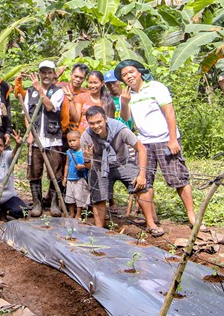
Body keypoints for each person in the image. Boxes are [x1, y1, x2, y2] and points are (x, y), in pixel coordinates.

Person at [116, 59, 197, 227]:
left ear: (139, 72)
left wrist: (173, 139)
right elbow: (125, 118)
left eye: (131, 72)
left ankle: (192, 216)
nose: (128, 76)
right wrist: (124, 102)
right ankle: (151, 219)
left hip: (164, 139)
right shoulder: (128, 94)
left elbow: (169, 113)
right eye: (124, 75)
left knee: (178, 177)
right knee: (144, 180)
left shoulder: (156, 87)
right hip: (144, 142)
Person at [80, 106, 161, 235]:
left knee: (141, 186)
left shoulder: (120, 129)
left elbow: (141, 149)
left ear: (105, 119)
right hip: (100, 166)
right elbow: (89, 167)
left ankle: (151, 224)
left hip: (122, 163)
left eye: (98, 122)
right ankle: (99, 229)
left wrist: (141, 174)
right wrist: (87, 158)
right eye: (92, 123)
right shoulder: (86, 136)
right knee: (98, 196)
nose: (96, 126)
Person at [24, 60, 67, 218]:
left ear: (54, 74)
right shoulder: (30, 91)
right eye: (43, 72)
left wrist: (40, 91)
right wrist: (29, 133)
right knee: (34, 171)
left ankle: (54, 203)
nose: (46, 75)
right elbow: (27, 114)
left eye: (49, 72)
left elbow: (50, 107)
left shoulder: (58, 92)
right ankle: (37, 203)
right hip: (36, 139)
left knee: (54, 172)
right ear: (40, 73)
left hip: (52, 139)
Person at [64, 129, 89, 220]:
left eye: (74, 140)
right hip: (70, 178)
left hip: (79, 178)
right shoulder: (69, 152)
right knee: (70, 197)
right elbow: (67, 165)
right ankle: (71, 213)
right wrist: (64, 177)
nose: (71, 143)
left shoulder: (83, 152)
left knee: (79, 197)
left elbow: (88, 165)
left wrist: (81, 166)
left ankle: (78, 214)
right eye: (69, 141)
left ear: (80, 140)